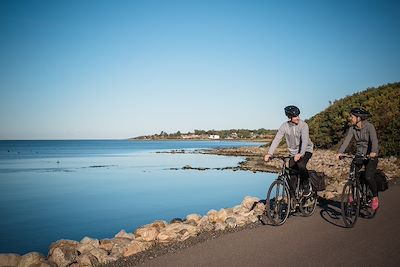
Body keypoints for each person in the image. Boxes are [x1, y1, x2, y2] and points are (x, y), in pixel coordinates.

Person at [335, 107, 379, 210]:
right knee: (352, 175)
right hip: (359, 155)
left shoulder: (369, 127)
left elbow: (374, 141)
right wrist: (340, 152)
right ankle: (353, 195)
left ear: (359, 118)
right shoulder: (352, 129)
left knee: (368, 177)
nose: (351, 118)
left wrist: (374, 152)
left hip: (370, 156)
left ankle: (375, 197)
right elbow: (346, 141)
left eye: (352, 117)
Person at [264, 105, 314, 196]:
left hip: (306, 149)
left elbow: (305, 140)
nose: (297, 118)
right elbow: (277, 139)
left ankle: (307, 185)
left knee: (301, 165)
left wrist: (300, 154)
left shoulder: (304, 125)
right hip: (293, 153)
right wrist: (269, 153)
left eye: (298, 116)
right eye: (295, 116)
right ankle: (294, 197)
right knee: (291, 172)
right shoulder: (284, 126)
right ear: (289, 117)